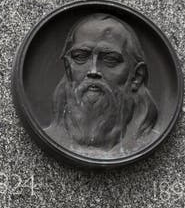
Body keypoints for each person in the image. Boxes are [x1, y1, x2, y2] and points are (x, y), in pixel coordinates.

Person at [46, 12, 159, 159]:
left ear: (137, 76)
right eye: (80, 57)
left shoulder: (148, 141)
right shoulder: (50, 136)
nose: (93, 71)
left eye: (110, 60)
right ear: (68, 68)